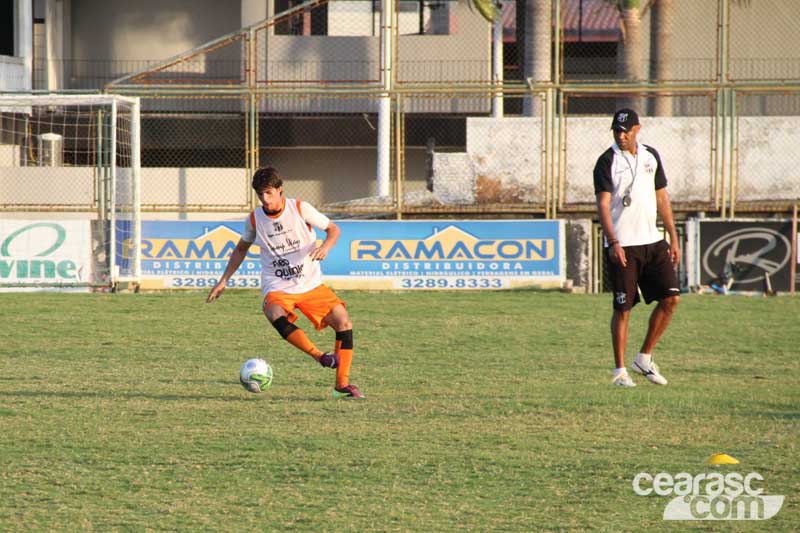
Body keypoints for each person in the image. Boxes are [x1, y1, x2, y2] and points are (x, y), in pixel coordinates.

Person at [207, 167, 364, 399]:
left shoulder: (300, 208)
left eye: (269, 193)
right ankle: (319, 356)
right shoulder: (254, 219)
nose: (265, 199)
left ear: (280, 190)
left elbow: (333, 229)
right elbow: (241, 248)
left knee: (344, 322)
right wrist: (223, 280)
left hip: (310, 285)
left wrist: (325, 247)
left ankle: (341, 386)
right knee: (274, 314)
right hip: (277, 286)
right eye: (261, 194)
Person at [593, 108, 680, 387]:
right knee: (624, 307)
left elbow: (662, 198)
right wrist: (613, 241)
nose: (621, 135)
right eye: (617, 131)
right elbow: (603, 205)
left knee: (671, 299)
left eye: (625, 131)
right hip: (624, 246)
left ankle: (644, 357)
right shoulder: (606, 161)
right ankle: (620, 371)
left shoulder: (650, 156)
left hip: (653, 242)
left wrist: (673, 236)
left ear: (637, 129)